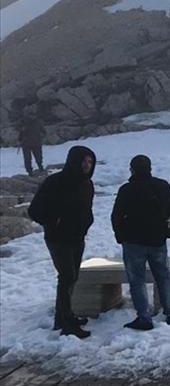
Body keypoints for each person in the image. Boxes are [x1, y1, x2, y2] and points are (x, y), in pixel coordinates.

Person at [27, 145, 97, 339]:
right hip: (58, 239)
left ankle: (65, 316)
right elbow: (34, 210)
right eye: (83, 161)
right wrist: (54, 221)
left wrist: (87, 222)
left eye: (90, 161)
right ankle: (65, 323)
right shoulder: (55, 182)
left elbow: (85, 209)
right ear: (74, 161)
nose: (86, 165)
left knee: (72, 277)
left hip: (77, 237)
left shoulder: (87, 184)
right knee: (66, 277)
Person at [111, 155, 170, 330]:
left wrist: (120, 235)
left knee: (137, 280)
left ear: (132, 169)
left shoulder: (126, 189)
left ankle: (144, 317)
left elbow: (116, 215)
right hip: (157, 240)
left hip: (133, 241)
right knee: (163, 276)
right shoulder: (162, 186)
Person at [18, 106, 45, 175]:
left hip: (36, 142)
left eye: (33, 115)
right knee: (28, 159)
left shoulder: (38, 122)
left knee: (38, 157)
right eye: (30, 115)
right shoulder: (23, 122)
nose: (32, 116)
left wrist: (42, 136)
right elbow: (19, 132)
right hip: (26, 143)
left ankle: (40, 168)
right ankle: (30, 172)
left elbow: (43, 131)